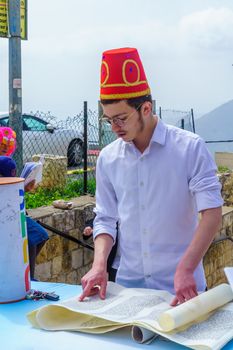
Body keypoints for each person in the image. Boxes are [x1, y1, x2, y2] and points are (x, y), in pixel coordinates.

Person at [79, 47, 223, 305]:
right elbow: (105, 218)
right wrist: (99, 264)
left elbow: (211, 214)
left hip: (180, 288)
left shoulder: (190, 148)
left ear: (146, 108)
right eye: (108, 120)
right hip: (128, 287)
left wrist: (187, 268)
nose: (114, 128)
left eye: (121, 118)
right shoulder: (108, 158)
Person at [0, 131, 49, 280]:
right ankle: (28, 276)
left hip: (13, 212)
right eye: (1, 147)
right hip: (7, 216)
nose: (4, 150)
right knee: (35, 235)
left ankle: (28, 274)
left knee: (39, 235)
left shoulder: (6, 162)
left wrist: (24, 188)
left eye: (6, 148)